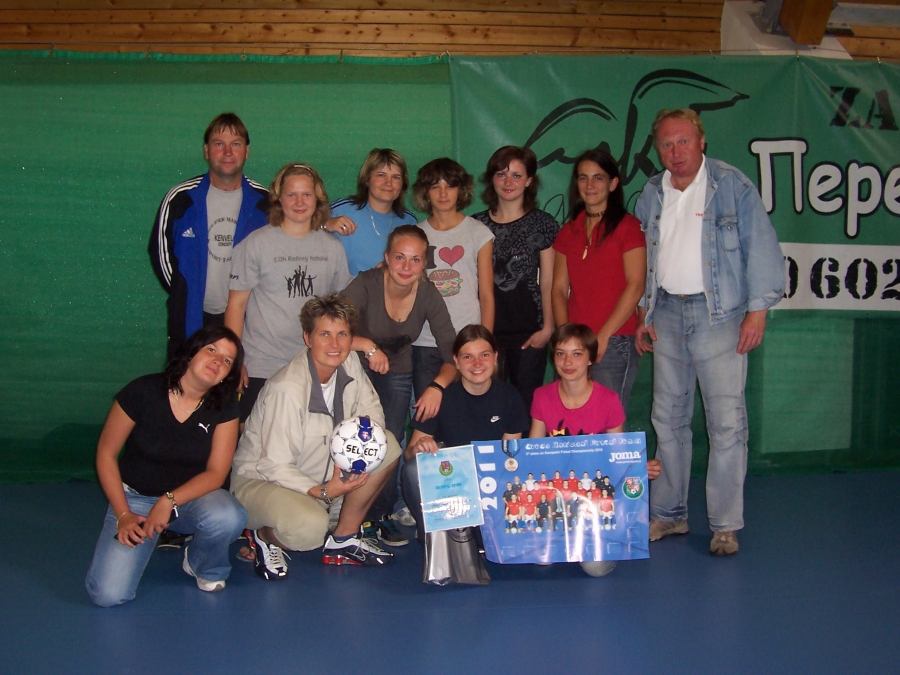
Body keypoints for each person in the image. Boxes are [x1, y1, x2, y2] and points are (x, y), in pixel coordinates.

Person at [634, 108, 784, 557]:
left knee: (726, 423)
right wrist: (644, 310)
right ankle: (669, 514)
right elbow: (644, 257)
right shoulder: (651, 192)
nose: (675, 151)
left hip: (720, 316)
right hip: (665, 314)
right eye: (666, 143)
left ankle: (725, 525)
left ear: (702, 142)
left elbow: (762, 247)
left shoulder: (732, 185)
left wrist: (757, 312)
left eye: (683, 141)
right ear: (657, 149)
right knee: (668, 418)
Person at [231, 294, 402, 580]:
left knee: (387, 445)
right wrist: (322, 492)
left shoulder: (349, 363)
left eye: (342, 334)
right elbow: (273, 465)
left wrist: (359, 450)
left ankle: (344, 538)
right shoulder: (287, 389)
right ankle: (263, 535)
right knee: (309, 530)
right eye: (325, 334)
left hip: (321, 481)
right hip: (261, 482)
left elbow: (371, 410)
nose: (335, 344)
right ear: (307, 338)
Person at [85, 326, 247, 606]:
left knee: (229, 516)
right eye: (211, 350)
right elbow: (106, 453)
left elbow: (216, 473)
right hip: (134, 500)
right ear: (191, 353)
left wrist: (168, 501)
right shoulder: (143, 391)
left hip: (190, 499)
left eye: (227, 360)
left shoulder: (225, 406)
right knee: (107, 595)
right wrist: (123, 514)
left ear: (227, 375)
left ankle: (201, 564)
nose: (217, 361)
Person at [342, 224, 457, 546]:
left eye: (415, 260)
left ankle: (378, 515)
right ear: (387, 258)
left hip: (398, 370)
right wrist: (368, 346)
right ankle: (347, 514)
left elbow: (453, 352)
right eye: (400, 258)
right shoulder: (366, 283)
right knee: (359, 439)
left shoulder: (428, 293)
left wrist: (436, 387)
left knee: (390, 441)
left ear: (425, 263)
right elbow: (329, 328)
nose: (407, 267)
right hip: (357, 365)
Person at [530, 323, 661, 577]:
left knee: (594, 568)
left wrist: (637, 468)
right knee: (542, 558)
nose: (568, 362)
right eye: (561, 353)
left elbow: (618, 455)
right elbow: (533, 453)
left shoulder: (608, 400)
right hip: (559, 494)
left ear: (591, 358)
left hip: (597, 498)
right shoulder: (542, 396)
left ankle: (610, 537)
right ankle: (567, 532)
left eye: (577, 354)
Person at [225, 163, 351, 421]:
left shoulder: (333, 247)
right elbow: (236, 305)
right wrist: (234, 360)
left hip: (315, 364)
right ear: (278, 198)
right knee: (257, 439)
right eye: (291, 194)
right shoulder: (256, 244)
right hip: (263, 365)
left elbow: (341, 308)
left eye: (306, 194)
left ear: (317, 198)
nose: (299, 202)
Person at [149, 113, 269, 358]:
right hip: (190, 320)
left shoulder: (266, 203)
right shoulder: (180, 199)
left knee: (237, 380)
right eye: (218, 144)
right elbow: (159, 253)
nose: (227, 152)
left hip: (250, 323)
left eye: (235, 144)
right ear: (206, 151)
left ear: (247, 151)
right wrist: (186, 292)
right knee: (186, 380)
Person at [401, 325, 530, 545]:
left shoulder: (510, 397)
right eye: (468, 357)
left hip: (493, 486)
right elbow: (408, 455)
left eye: (484, 355)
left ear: (495, 358)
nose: (477, 364)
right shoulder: (438, 399)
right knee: (412, 469)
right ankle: (434, 533)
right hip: (452, 486)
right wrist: (419, 447)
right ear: (457, 362)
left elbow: (510, 460)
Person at [551, 149, 647, 413]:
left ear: (613, 183)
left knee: (606, 424)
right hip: (574, 345)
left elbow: (636, 285)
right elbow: (558, 289)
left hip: (613, 342)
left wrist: (603, 337)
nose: (590, 185)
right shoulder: (568, 231)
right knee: (573, 420)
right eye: (583, 178)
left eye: (598, 178)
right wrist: (566, 339)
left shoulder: (629, 227)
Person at [473, 146, 559, 412]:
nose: (508, 182)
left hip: (530, 333)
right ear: (492, 179)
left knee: (526, 410)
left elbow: (549, 282)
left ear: (529, 180)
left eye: (516, 175)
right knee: (489, 410)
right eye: (501, 174)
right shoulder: (475, 225)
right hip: (487, 333)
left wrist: (548, 327)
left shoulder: (543, 223)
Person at [410, 158, 495, 403]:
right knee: (427, 411)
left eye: (450, 186)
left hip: (467, 339)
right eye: (435, 186)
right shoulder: (416, 234)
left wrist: (485, 341)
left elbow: (486, 294)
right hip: (426, 340)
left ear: (461, 189)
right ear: (425, 192)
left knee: (469, 409)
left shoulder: (478, 232)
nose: (443, 193)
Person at [325, 148, 419, 277]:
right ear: (367, 180)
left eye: (396, 177)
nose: (388, 183)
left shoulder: (409, 221)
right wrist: (325, 224)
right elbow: (303, 228)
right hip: (344, 290)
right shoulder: (341, 209)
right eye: (381, 175)